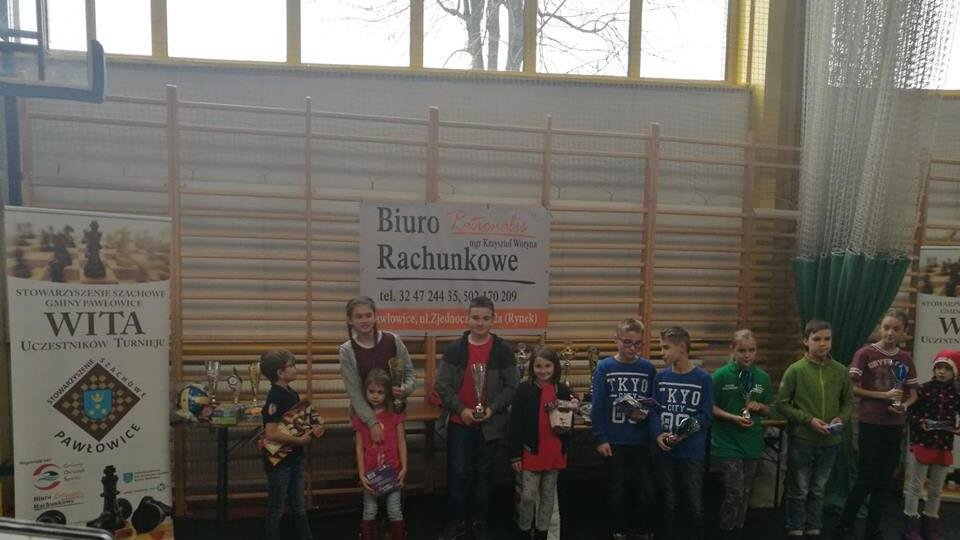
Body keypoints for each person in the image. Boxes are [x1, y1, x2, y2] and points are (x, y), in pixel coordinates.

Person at [436, 296, 519, 540]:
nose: (480, 323)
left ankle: (480, 522)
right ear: (468, 319)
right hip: (460, 423)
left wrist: (492, 408)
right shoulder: (455, 349)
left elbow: (512, 386)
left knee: (484, 474)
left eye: (485, 318)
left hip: (489, 425)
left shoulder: (503, 351)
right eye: (475, 318)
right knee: (458, 473)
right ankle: (457, 521)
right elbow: (442, 385)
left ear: (493, 320)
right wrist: (461, 410)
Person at [836, 309, 918, 539]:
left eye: (896, 329)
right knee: (866, 477)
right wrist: (882, 395)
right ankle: (844, 525)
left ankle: (872, 529)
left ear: (903, 332)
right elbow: (851, 388)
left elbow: (913, 394)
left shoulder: (905, 358)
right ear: (880, 328)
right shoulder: (865, 353)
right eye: (886, 327)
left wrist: (904, 406)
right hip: (870, 422)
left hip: (894, 424)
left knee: (885, 479)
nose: (890, 333)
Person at [776, 320, 853, 539]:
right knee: (799, 488)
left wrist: (841, 417)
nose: (822, 344)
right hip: (803, 440)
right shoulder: (795, 370)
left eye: (827, 339)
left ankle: (813, 525)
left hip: (830, 442)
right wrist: (808, 420)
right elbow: (782, 404)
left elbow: (848, 401)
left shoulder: (840, 371)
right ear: (805, 341)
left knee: (819, 488)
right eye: (817, 339)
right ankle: (795, 525)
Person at [590, 317, 657, 540]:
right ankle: (617, 529)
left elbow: (654, 403)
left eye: (637, 344)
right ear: (616, 340)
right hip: (614, 440)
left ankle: (642, 528)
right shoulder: (604, 367)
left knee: (644, 488)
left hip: (640, 439)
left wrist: (646, 415)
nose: (632, 348)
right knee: (616, 488)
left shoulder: (648, 368)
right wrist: (600, 438)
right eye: (627, 342)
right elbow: (598, 405)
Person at [651, 326, 714, 540]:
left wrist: (684, 433)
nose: (662, 352)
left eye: (665, 347)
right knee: (668, 502)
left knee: (693, 502)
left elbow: (705, 415)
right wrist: (658, 434)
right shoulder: (660, 377)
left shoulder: (703, 378)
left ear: (682, 347)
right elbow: (654, 410)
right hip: (665, 450)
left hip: (691, 452)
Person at [710, 329, 773, 540]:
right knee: (734, 491)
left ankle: (739, 529)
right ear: (732, 350)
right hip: (727, 442)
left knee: (745, 492)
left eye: (751, 350)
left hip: (751, 442)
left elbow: (769, 409)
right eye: (742, 350)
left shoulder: (762, 377)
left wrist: (760, 407)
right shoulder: (720, 376)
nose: (747, 355)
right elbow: (710, 407)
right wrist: (732, 417)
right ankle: (726, 530)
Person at [508, 346, 573, 540]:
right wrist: (514, 455)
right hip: (531, 451)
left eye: (547, 366)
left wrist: (566, 440)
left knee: (548, 496)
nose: (543, 370)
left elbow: (568, 421)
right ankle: (524, 530)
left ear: (555, 367)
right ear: (532, 367)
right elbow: (515, 424)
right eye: (538, 366)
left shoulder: (563, 390)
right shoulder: (523, 390)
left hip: (554, 451)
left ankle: (542, 533)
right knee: (528, 496)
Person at [260, 349, 324, 540]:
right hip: (279, 463)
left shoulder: (292, 393)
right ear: (280, 372)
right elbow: (271, 433)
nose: (296, 368)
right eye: (292, 365)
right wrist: (299, 441)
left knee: (299, 507)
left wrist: (315, 429)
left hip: (294, 458)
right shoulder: (275, 397)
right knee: (276, 509)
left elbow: (298, 424)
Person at [339, 296, 416, 445]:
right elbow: (354, 392)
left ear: (375, 316)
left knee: (394, 455)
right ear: (350, 320)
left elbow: (409, 373)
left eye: (368, 315)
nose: (364, 320)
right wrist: (372, 422)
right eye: (358, 317)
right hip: (364, 416)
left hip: (393, 414)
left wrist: (405, 389)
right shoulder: (346, 351)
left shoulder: (393, 340)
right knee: (369, 457)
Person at [901, 350, 960, 540]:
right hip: (922, 443)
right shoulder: (922, 389)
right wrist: (921, 423)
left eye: (947, 368)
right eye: (938, 367)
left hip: (943, 446)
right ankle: (911, 525)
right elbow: (909, 413)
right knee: (916, 487)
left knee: (936, 489)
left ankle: (930, 525)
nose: (941, 371)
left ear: (954, 372)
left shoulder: (957, 393)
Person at [352, 369, 408, 540]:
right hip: (371, 474)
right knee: (370, 510)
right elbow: (359, 448)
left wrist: (404, 468)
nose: (375, 396)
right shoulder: (361, 417)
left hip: (393, 471)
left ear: (387, 393)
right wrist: (361, 474)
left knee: (394, 510)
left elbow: (401, 442)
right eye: (371, 391)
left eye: (380, 392)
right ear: (365, 391)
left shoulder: (394, 415)